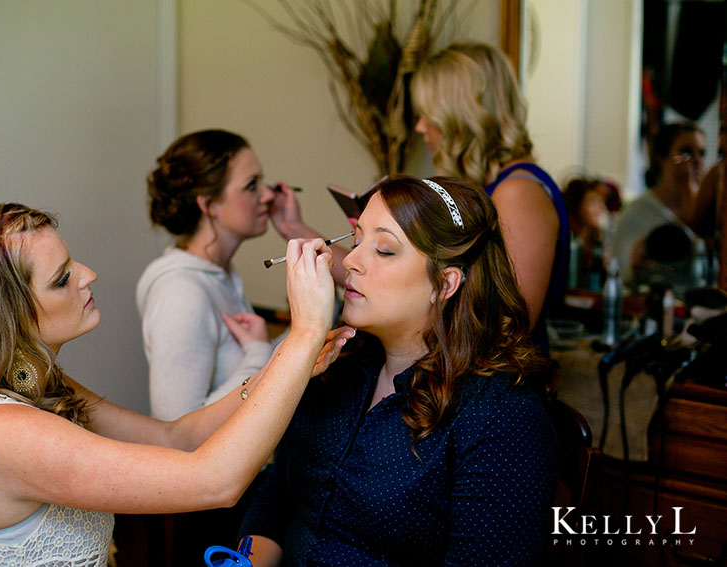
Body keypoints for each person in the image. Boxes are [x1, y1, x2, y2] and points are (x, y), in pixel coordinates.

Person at [0, 203, 353, 566]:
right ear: (8, 317)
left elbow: (174, 437)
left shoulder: (37, 384)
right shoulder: (2, 432)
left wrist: (271, 371)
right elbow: (215, 481)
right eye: (61, 279)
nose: (88, 275)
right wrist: (305, 331)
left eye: (72, 262)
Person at [239, 176, 557, 567]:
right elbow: (277, 498)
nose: (351, 262)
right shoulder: (336, 366)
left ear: (444, 283)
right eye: (357, 241)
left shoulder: (501, 418)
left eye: (384, 250)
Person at [139, 129, 349, 421]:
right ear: (208, 204)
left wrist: (319, 308)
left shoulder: (221, 274)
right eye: (251, 185)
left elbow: (268, 370)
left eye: (264, 181)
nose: (267, 195)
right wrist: (257, 352)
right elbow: (177, 429)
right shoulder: (181, 293)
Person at [412, 41, 570, 351]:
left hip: (500, 391)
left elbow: (509, 327)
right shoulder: (491, 190)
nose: (420, 127)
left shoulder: (518, 194)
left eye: (428, 114)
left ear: (461, 115)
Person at [611, 121, 705, 289]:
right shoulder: (636, 214)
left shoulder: (710, 214)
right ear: (662, 158)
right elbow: (621, 279)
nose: (697, 160)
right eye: (686, 153)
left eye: (702, 153)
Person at [562, 177, 619, 289]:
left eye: (602, 201)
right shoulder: (566, 239)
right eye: (593, 202)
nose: (601, 208)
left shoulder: (596, 238)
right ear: (576, 204)